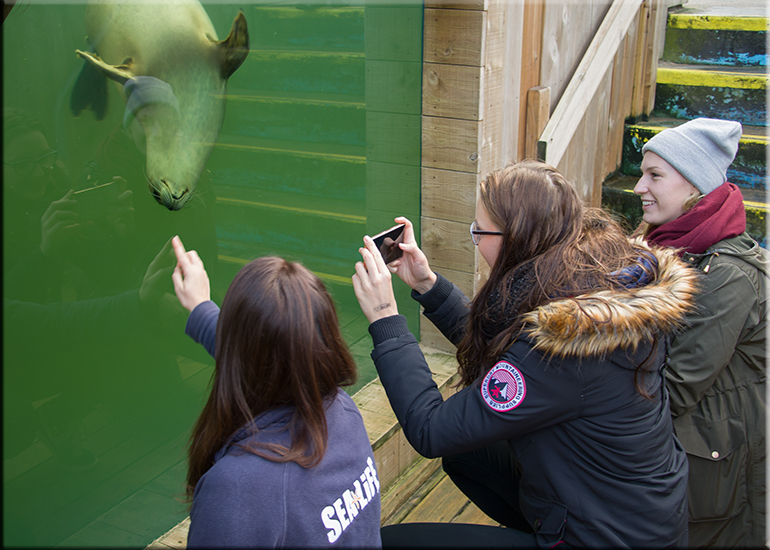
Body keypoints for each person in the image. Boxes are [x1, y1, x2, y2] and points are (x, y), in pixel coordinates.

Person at [351, 160, 699, 548]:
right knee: (467, 454)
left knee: (393, 542)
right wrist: (427, 284)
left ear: (515, 238)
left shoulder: (567, 349)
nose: (476, 240)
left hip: (607, 538)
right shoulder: (588, 286)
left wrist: (385, 318)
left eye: (478, 231)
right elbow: (507, 348)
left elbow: (431, 429)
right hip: (630, 512)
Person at [170, 236, 382, 548]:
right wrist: (201, 308)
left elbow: (254, 357)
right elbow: (271, 357)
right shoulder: (342, 410)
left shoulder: (237, 489)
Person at [633, 117, 767, 548]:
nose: (639, 187)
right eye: (641, 173)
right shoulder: (667, 247)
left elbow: (676, 388)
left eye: (655, 175)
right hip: (677, 450)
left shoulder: (726, 276)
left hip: (711, 467)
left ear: (695, 186)